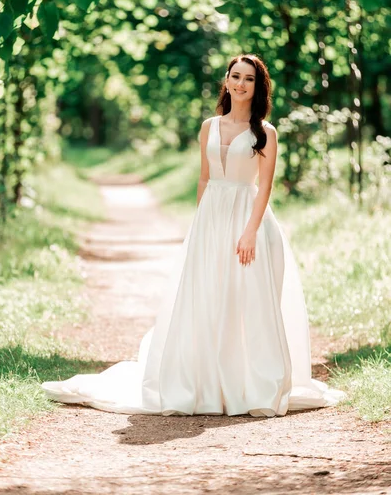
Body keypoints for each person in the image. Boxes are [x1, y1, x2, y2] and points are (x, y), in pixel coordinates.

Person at [42, 53, 345, 416]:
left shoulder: (265, 132)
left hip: (248, 220)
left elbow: (264, 187)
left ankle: (248, 383)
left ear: (258, 86)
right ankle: (205, 381)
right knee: (208, 296)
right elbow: (204, 176)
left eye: (249, 79)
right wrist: (200, 224)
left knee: (246, 300)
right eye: (236, 76)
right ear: (227, 80)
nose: (241, 84)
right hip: (212, 217)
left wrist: (249, 232)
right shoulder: (209, 127)